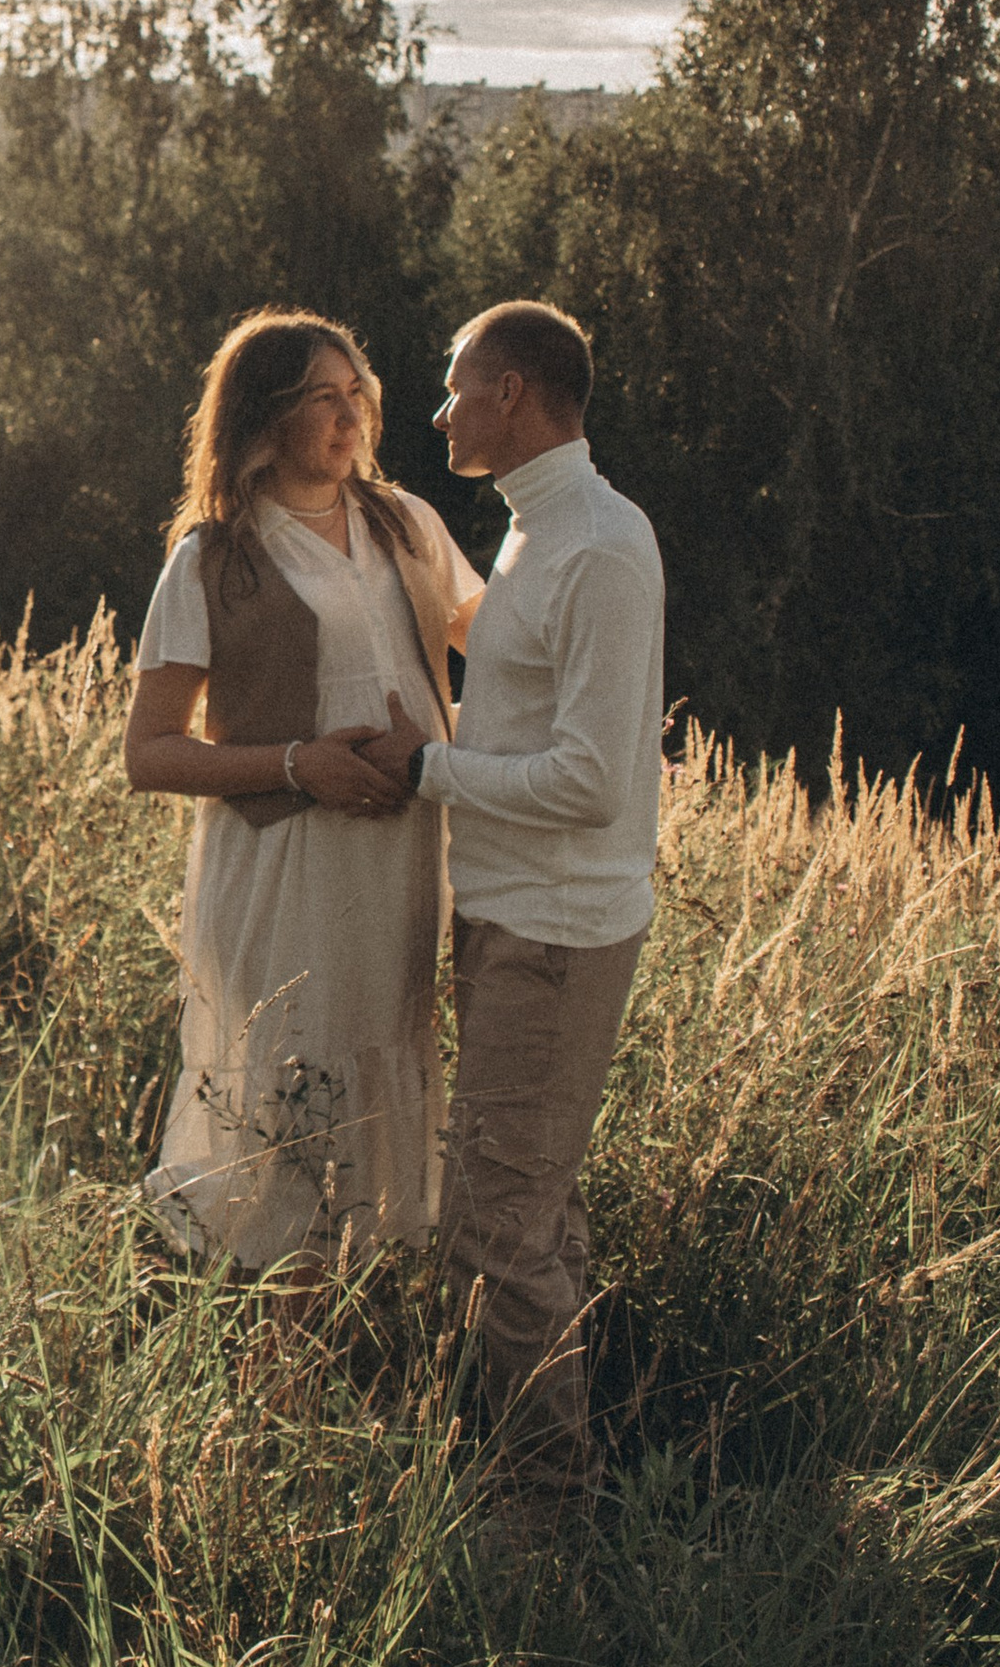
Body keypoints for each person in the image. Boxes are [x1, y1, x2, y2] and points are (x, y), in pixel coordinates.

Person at [350, 300, 663, 1478]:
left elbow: (588, 781)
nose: (439, 410)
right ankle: (562, 1466)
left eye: (455, 386)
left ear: (515, 394)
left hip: (555, 935)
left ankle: (538, 1510)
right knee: (534, 1212)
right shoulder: (540, 534)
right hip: (508, 920)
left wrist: (425, 768)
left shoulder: (599, 544)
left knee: (497, 1232)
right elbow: (526, 691)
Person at [124, 311, 483, 1283]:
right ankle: (270, 1385)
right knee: (290, 1114)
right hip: (282, 874)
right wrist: (296, 764)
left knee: (378, 1097)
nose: (348, 414)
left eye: (355, 392)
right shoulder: (212, 559)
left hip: (398, 864)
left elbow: (501, 647)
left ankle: (340, 1367)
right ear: (263, 417)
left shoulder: (406, 524)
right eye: (321, 397)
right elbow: (148, 753)